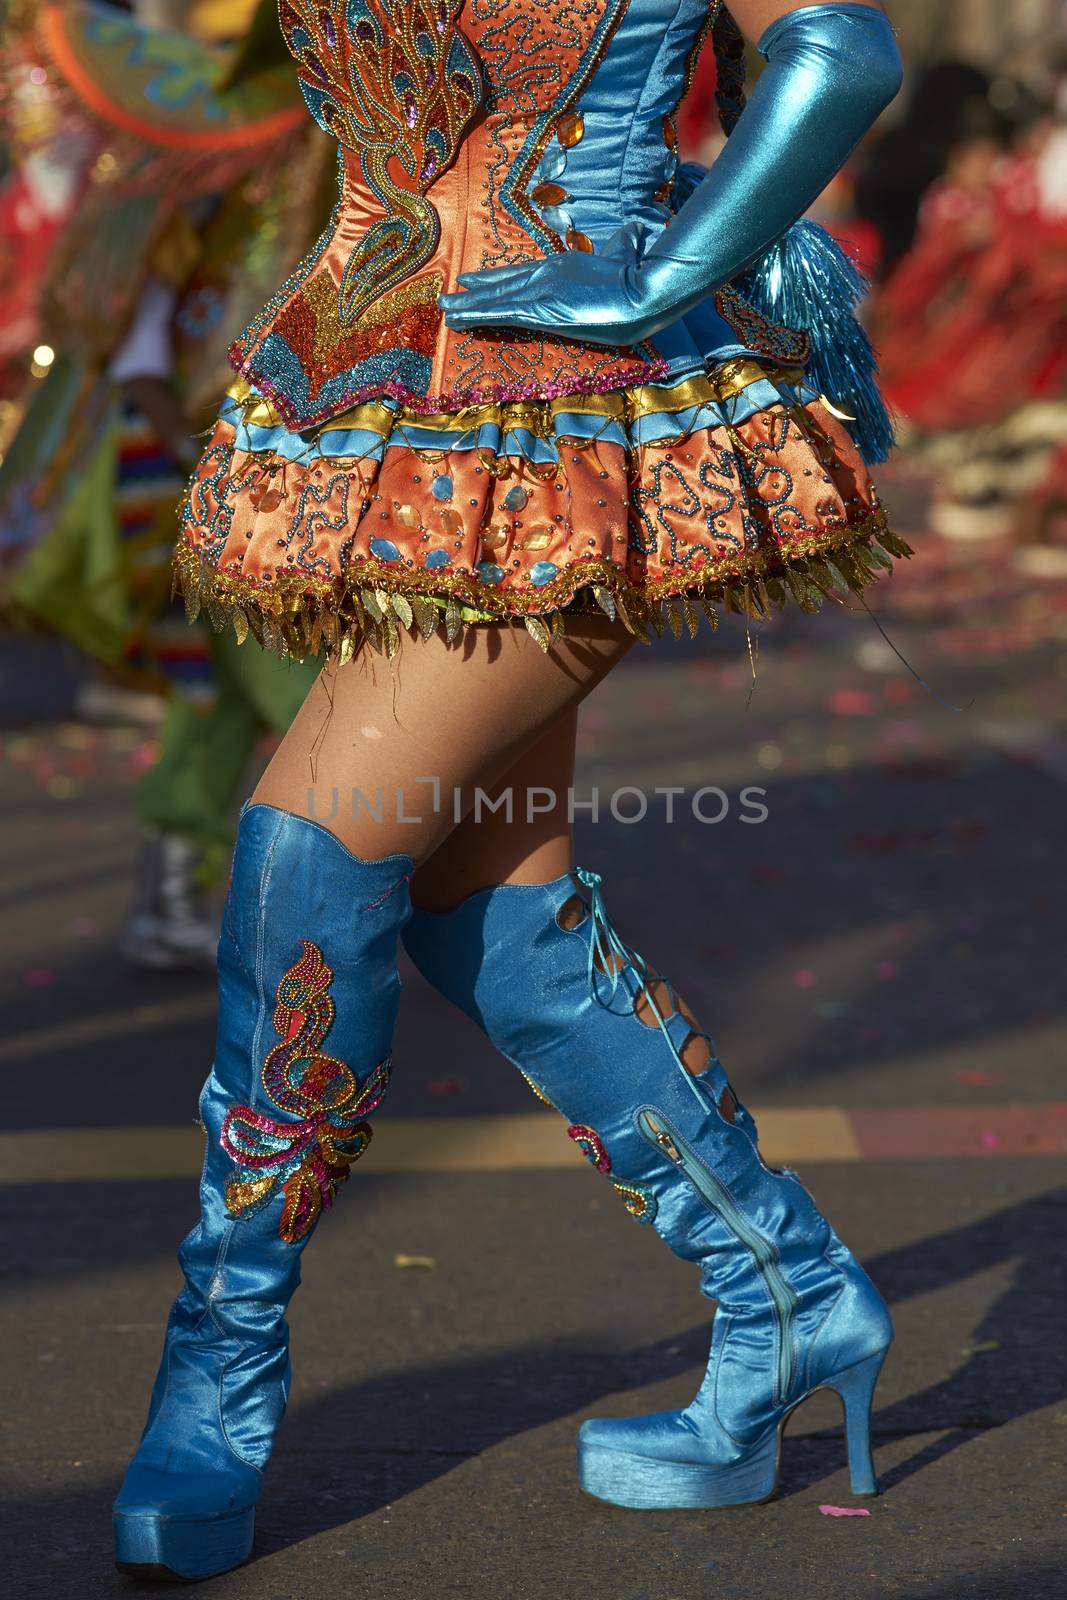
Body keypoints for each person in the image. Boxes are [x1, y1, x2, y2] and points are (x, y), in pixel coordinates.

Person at [112, 1, 905, 1580]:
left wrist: (668, 273)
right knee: (492, 909)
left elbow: (839, 46)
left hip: (579, 415)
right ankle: (791, 1293)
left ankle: (222, 1358)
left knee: (304, 850)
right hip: (375, 411)